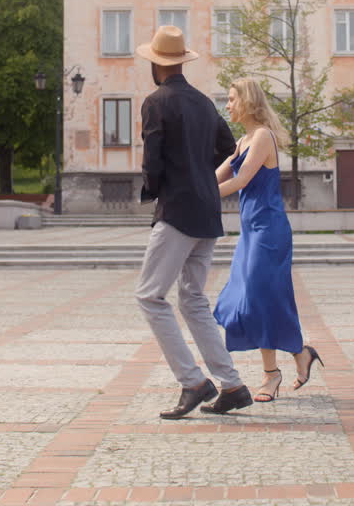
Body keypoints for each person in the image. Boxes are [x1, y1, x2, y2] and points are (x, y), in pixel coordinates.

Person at [135, 25, 253, 419]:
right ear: (181, 62)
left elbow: (152, 161)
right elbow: (229, 149)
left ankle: (193, 382)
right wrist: (203, 178)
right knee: (193, 300)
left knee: (150, 296)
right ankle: (232, 385)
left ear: (156, 64)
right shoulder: (204, 103)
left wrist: (153, 189)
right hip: (207, 212)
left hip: (178, 210)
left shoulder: (156, 102)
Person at [213, 78, 323, 402]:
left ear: (247, 101)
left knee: (260, 297)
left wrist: (201, 197)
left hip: (269, 232)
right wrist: (187, 188)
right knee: (247, 298)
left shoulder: (262, 137)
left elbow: (241, 179)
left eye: (232, 99)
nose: (228, 105)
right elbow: (218, 175)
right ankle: (299, 353)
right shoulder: (243, 140)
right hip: (252, 233)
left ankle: (271, 373)